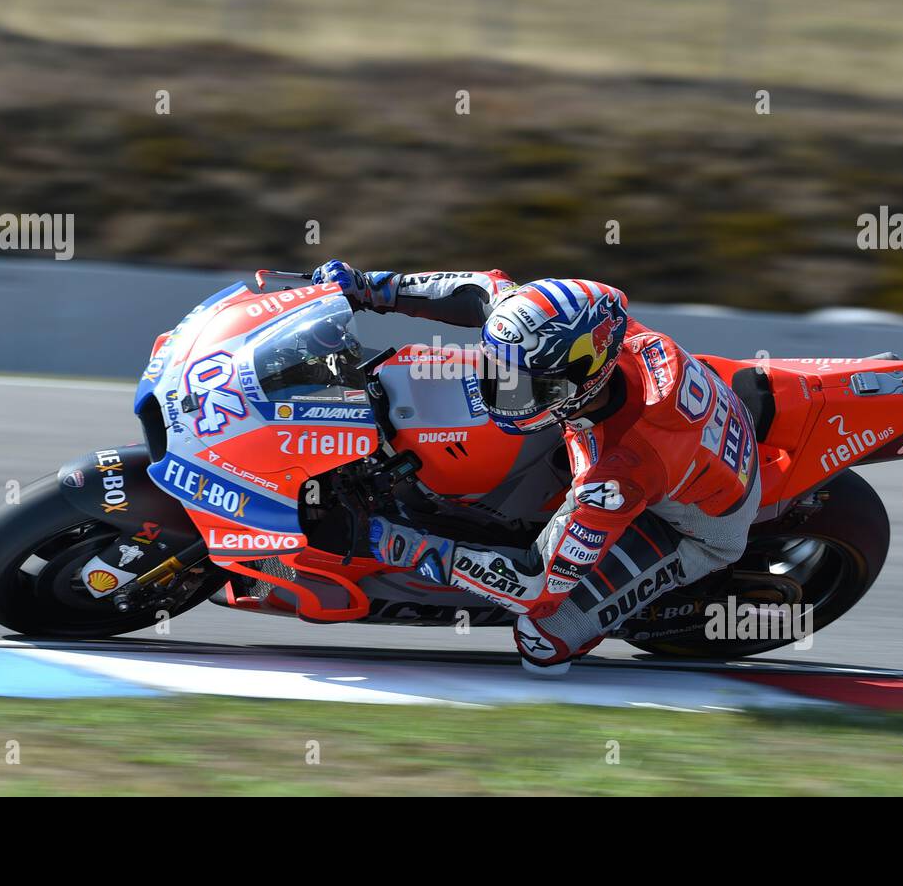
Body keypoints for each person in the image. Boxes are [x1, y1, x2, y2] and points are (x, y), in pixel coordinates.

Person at [311, 261, 762, 674]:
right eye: (501, 372)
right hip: (683, 443)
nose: (502, 390)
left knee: (541, 640)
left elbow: (535, 584)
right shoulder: (586, 336)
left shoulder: (616, 472)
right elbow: (483, 290)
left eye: (525, 386)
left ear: (586, 379)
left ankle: (623, 605)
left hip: (695, 528)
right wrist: (368, 289)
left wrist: (404, 547)